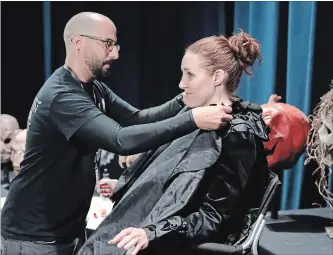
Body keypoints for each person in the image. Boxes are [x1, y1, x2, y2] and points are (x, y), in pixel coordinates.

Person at [0, 12, 233, 255]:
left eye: (116, 44)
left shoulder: (93, 87)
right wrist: (193, 119)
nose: (115, 53)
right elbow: (120, 139)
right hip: (35, 237)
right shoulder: (62, 96)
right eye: (108, 44)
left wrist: (184, 99)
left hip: (67, 230)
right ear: (79, 43)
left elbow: (137, 118)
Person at [79, 30, 269, 255]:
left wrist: (153, 232)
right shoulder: (192, 115)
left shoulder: (238, 134)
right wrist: (126, 186)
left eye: (190, 75)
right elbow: (171, 178)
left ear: (217, 78)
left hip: (185, 240)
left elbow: (213, 216)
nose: (181, 84)